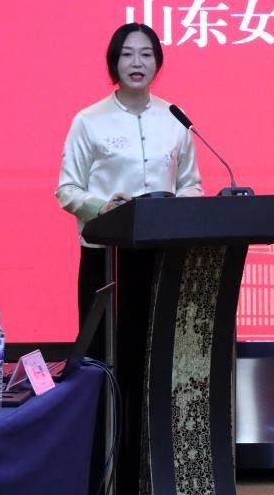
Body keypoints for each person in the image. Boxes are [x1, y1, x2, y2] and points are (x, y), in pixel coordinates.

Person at [56, 23, 204, 332]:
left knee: (155, 343)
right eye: (127, 54)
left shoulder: (174, 117)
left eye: (146, 55)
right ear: (114, 62)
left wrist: (175, 208)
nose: (137, 63)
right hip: (105, 256)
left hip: (162, 254)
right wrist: (103, 208)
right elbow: (67, 189)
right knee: (104, 345)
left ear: (157, 63)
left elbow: (191, 184)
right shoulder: (89, 120)